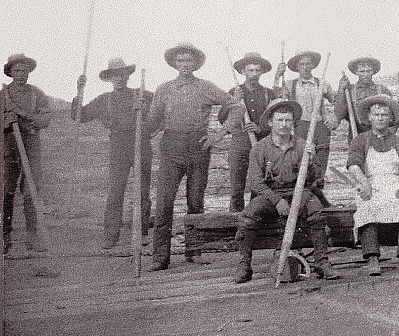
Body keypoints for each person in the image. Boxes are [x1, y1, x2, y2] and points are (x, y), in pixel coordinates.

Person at [147, 43, 239, 270]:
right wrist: (140, 112)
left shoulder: (205, 87)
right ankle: (160, 257)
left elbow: (236, 106)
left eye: (188, 60)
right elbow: (152, 122)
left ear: (195, 63)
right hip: (171, 147)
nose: (184, 64)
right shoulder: (164, 89)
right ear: (174, 64)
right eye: (180, 61)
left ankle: (194, 251)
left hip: (198, 147)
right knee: (164, 204)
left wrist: (219, 134)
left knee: (196, 202)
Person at [234, 99, 339, 283]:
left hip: (299, 191)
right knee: (247, 216)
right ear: (270, 122)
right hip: (270, 193)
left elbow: (315, 178)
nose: (284, 125)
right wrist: (276, 201)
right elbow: (256, 183)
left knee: (317, 213)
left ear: (293, 122)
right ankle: (244, 264)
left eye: (288, 120)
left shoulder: (302, 145)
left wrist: (312, 159)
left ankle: (322, 262)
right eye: (280, 120)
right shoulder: (260, 148)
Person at [72, 58, 153, 249]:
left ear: (128, 75)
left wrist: (146, 111)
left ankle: (141, 233)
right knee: (115, 192)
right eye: (115, 75)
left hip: (140, 142)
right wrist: (79, 91)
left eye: (123, 74)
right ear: (109, 78)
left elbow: (160, 112)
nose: (119, 78)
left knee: (142, 190)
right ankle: (111, 235)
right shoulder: (103, 100)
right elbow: (79, 116)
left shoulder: (143, 95)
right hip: (118, 144)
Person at [347, 94, 399, 276]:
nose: (380, 118)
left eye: (384, 115)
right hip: (370, 183)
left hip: (394, 182)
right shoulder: (361, 140)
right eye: (376, 115)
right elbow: (353, 165)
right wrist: (364, 182)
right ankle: (373, 258)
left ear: (390, 118)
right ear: (369, 117)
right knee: (368, 205)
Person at [2, 53, 53, 252]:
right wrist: (6, 121)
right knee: (6, 190)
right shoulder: (3, 95)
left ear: (29, 72)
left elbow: (45, 118)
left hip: (31, 145)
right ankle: (5, 237)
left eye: (24, 71)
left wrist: (28, 119)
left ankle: (33, 236)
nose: (21, 74)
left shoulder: (37, 94)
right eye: (17, 71)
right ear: (11, 73)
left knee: (31, 190)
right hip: (8, 146)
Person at [218, 52, 277, 212]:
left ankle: (254, 221)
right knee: (236, 189)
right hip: (239, 145)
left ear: (262, 72)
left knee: (258, 187)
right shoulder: (234, 92)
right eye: (250, 71)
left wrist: (261, 128)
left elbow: (276, 120)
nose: (254, 74)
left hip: (261, 145)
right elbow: (223, 119)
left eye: (257, 71)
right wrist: (234, 102)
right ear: (243, 71)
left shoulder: (268, 94)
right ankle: (235, 223)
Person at [276, 50, 338, 173]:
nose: (305, 67)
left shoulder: (322, 83)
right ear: (297, 67)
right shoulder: (290, 84)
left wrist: (332, 119)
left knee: (321, 163)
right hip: (300, 126)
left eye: (308, 64)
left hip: (321, 127)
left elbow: (335, 102)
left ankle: (318, 189)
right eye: (302, 64)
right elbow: (277, 97)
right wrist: (277, 75)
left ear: (313, 65)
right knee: (301, 163)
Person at [335, 56, 392, 140]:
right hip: (356, 132)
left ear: (373, 71)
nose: (365, 74)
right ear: (356, 72)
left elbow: (392, 115)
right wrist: (341, 90)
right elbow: (339, 113)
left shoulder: (382, 90)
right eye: (361, 71)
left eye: (368, 71)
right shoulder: (350, 90)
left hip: (380, 134)